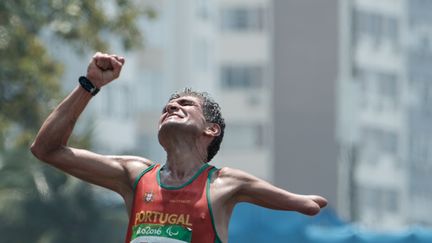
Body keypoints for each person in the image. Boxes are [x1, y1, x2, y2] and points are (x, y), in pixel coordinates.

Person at [31, 52, 328, 243]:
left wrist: (304, 199)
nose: (172, 106)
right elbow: (46, 149)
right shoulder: (134, 175)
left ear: (211, 130)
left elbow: (308, 205)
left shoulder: (225, 183)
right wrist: (89, 84)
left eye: (185, 104)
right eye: (167, 106)